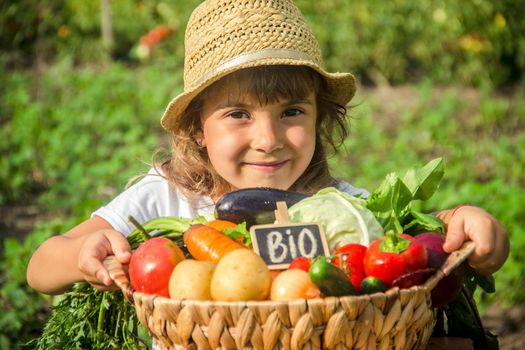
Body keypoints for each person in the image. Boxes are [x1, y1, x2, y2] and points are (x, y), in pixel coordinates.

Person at [27, 0, 509, 296]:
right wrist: (81, 256)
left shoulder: (338, 210)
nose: (268, 139)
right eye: (238, 115)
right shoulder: (164, 199)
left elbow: (415, 244)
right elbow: (40, 265)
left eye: (292, 112)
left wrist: (468, 227)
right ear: (198, 128)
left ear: (320, 117)